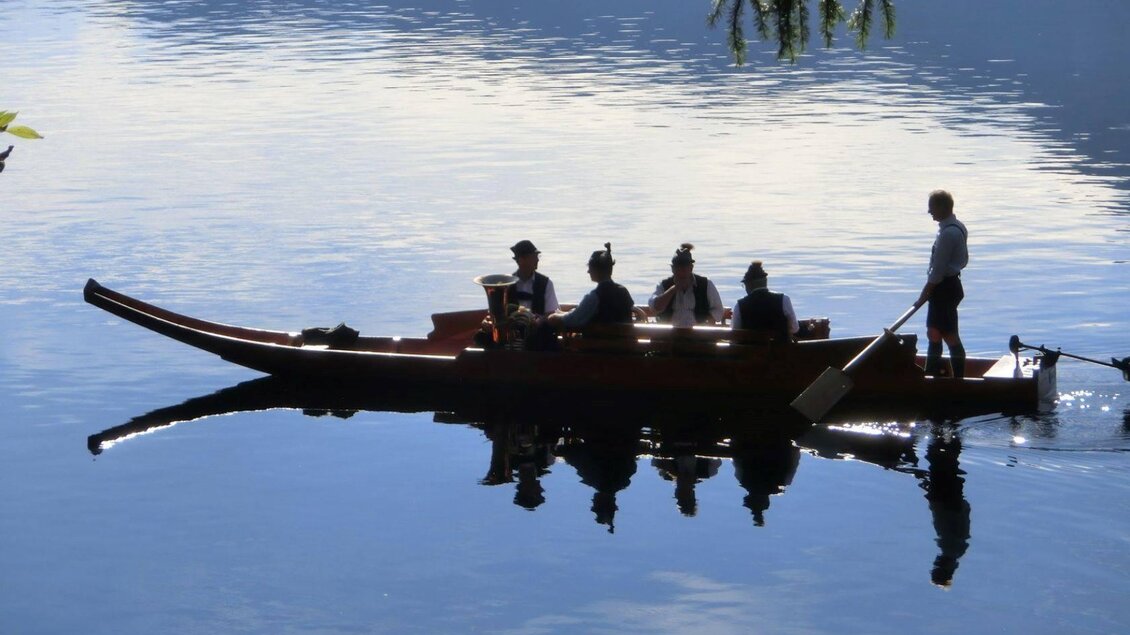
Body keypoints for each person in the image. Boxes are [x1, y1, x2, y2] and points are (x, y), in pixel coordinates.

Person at [914, 189, 968, 377]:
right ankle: (931, 373)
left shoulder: (948, 234)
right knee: (934, 333)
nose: (929, 212)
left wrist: (922, 296)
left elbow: (937, 272)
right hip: (948, 286)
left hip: (944, 288)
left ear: (942, 208)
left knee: (950, 336)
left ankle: (959, 379)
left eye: (932, 208)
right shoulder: (953, 227)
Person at [546, 243, 634, 330]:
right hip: (627, 343)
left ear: (597, 270)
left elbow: (572, 320)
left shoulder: (595, 297)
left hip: (599, 343)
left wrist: (554, 316)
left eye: (590, 267)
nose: (588, 271)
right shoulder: (624, 292)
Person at [648, 243, 724, 327]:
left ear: (691, 268)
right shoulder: (664, 285)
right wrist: (673, 289)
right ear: (672, 269)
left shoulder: (705, 284)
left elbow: (718, 309)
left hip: (698, 337)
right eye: (678, 268)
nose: (681, 272)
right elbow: (654, 307)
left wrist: (705, 324)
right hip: (669, 337)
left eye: (684, 268)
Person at [731, 260, 799, 340]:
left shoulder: (740, 305)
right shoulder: (784, 299)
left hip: (751, 351)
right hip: (780, 351)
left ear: (749, 284)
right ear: (765, 282)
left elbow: (735, 333)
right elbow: (795, 328)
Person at [509, 240, 559, 316]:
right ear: (521, 260)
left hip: (540, 327)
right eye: (534, 257)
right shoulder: (507, 285)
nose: (537, 260)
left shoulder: (546, 283)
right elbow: (499, 313)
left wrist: (539, 321)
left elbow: (551, 314)